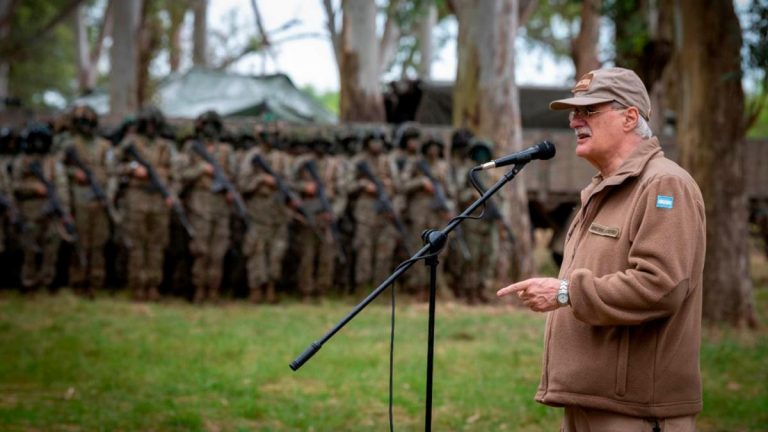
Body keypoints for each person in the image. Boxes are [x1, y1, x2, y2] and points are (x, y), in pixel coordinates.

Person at [497, 67, 705, 431]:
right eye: (574, 112)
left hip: (635, 413)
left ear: (630, 118)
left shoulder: (664, 184)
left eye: (589, 110)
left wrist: (565, 292)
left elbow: (661, 286)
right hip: (588, 403)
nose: (574, 120)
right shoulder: (604, 188)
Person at [177, 110, 236, 303]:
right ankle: (199, 289)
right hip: (199, 202)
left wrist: (229, 189)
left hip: (220, 203)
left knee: (218, 249)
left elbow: (233, 176)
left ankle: (213, 290)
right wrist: (201, 169)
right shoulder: (191, 149)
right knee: (200, 249)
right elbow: (181, 174)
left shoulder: (226, 150)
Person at [60, 105, 114, 297]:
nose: (87, 126)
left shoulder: (105, 146)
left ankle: (95, 281)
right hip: (80, 196)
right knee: (81, 242)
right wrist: (74, 173)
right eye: (83, 122)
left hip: (100, 198)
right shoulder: (70, 145)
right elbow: (59, 169)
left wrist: (108, 196)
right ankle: (78, 281)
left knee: (99, 242)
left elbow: (112, 172)